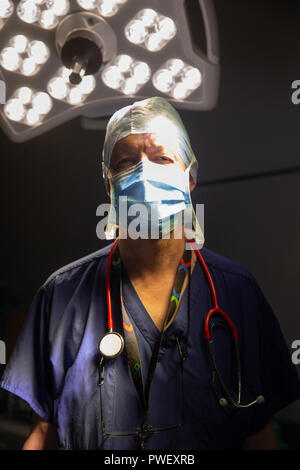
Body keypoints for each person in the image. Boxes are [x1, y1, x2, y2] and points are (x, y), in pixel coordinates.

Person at [1, 96, 300, 450]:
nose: (144, 172)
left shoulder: (237, 293)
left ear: (189, 177)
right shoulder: (62, 295)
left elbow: (258, 435)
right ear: (109, 183)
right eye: (126, 161)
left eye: (161, 158)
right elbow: (41, 435)